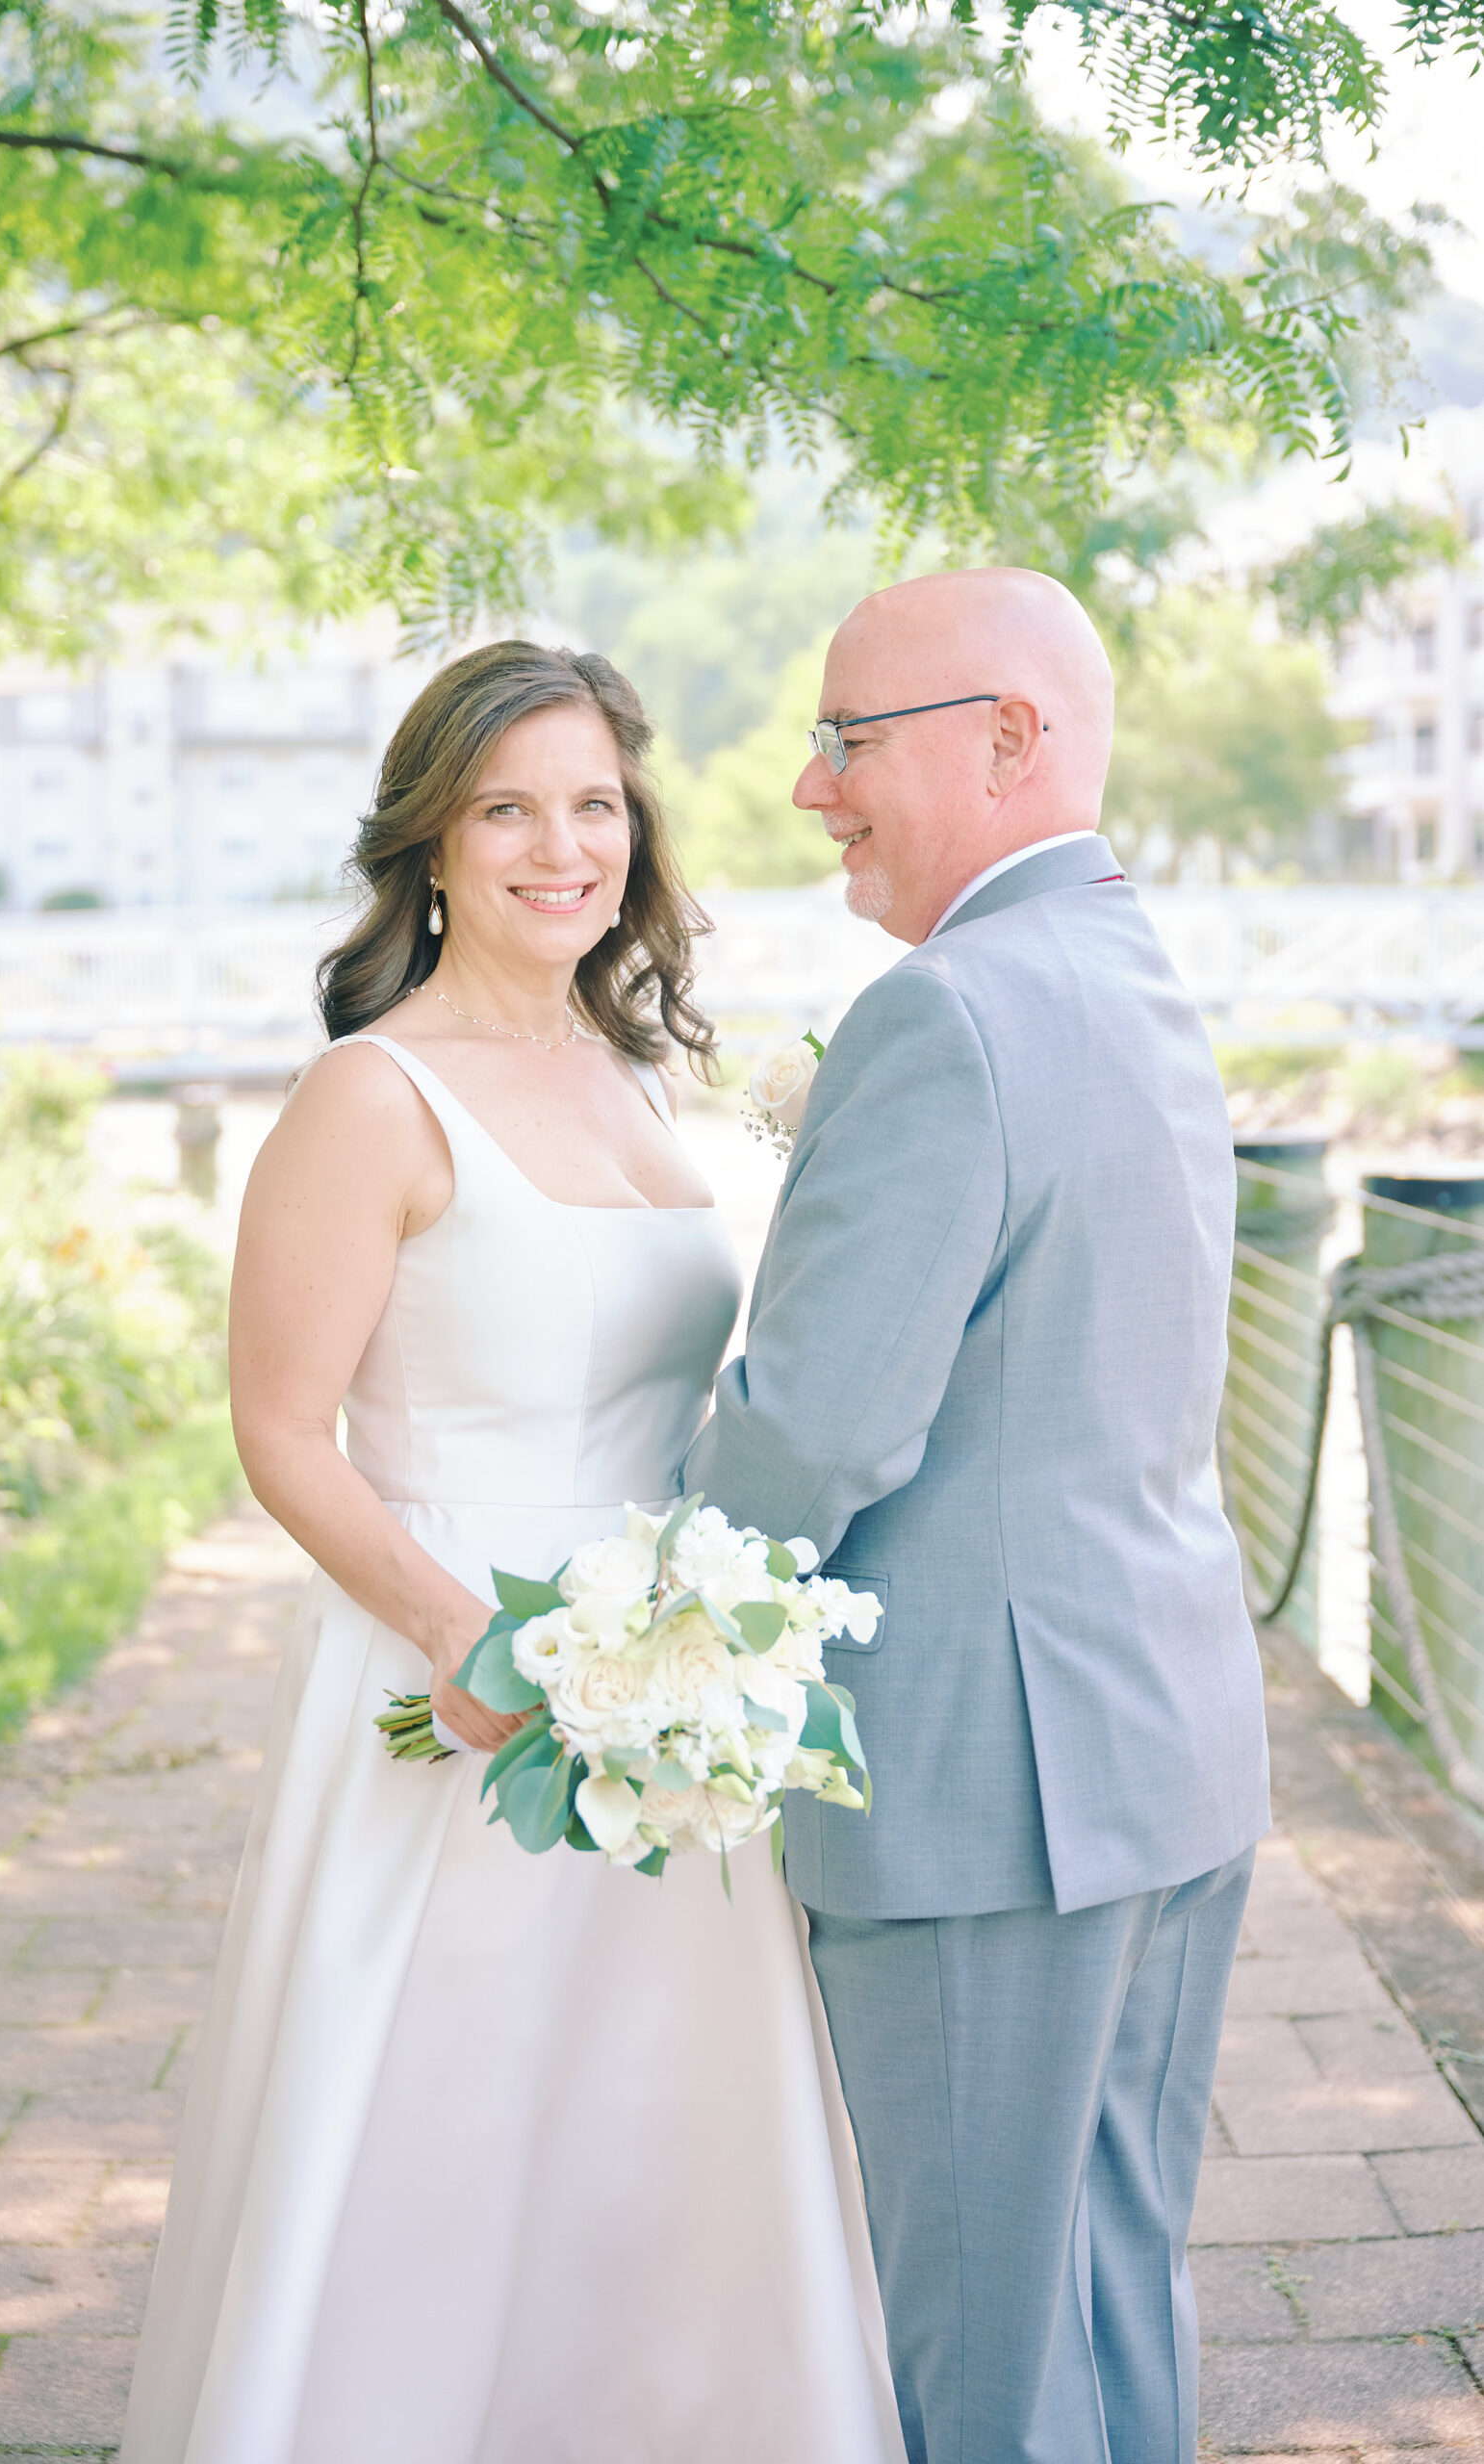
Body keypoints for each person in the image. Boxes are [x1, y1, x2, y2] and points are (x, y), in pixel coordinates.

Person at [116, 641, 905, 2464]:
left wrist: (700, 1650)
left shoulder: (632, 1073)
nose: (563, 847)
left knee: (652, 2142)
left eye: (595, 805)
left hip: (670, 1705)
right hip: (449, 1688)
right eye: (508, 809)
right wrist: (477, 1653)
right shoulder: (371, 1099)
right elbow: (279, 1433)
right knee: (434, 2125)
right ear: (435, 846)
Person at [684, 568, 1270, 2464]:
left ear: (1010, 737)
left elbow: (813, 1435)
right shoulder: (1128, 971)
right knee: (1108, 2309)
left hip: (981, 1795)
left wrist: (632, 1621)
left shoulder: (944, 1016)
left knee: (982, 2368)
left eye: (848, 737)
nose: (807, 785)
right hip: (1157, 1751)